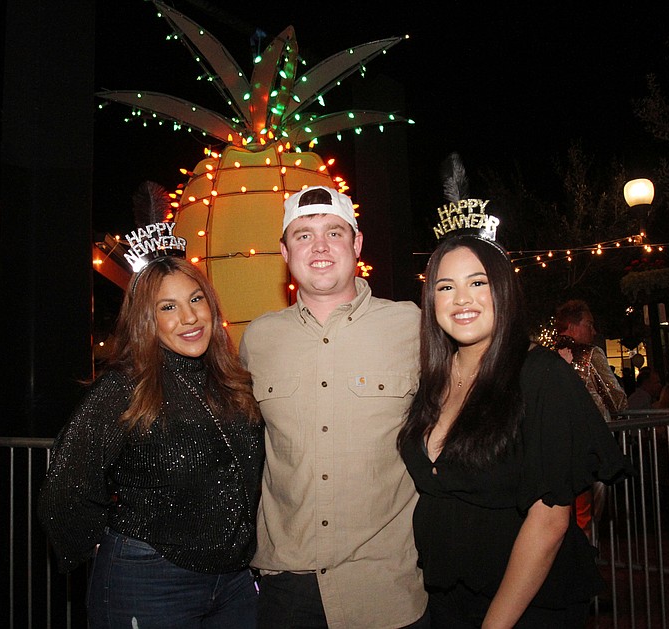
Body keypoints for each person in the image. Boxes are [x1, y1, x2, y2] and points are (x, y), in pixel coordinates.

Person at [398, 159, 631, 628]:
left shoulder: (540, 376)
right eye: (446, 286)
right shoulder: (432, 381)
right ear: (432, 301)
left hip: (522, 607)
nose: (462, 299)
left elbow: (549, 522)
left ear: (502, 290)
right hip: (444, 599)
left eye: (478, 282)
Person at [38, 184, 264, 629]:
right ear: (147, 318)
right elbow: (65, 490)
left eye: (196, 299)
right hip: (149, 578)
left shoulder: (233, 380)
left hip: (235, 580)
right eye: (168, 307)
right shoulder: (124, 389)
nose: (190, 317)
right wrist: (104, 550)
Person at [239, 185, 428, 628]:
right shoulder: (258, 339)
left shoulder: (412, 326)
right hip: (286, 589)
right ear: (285, 252)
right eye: (303, 235)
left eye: (334, 233)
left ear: (357, 244)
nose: (319, 247)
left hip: (386, 587)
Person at [552, 299, 627, 538]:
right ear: (573, 326)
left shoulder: (547, 356)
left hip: (557, 446)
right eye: (589, 324)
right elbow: (617, 399)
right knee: (588, 515)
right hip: (591, 447)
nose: (593, 331)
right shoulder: (591, 355)